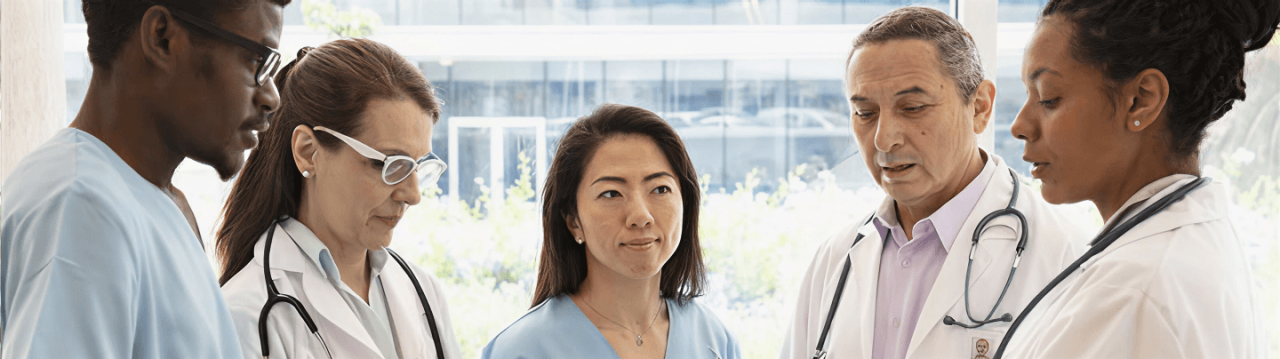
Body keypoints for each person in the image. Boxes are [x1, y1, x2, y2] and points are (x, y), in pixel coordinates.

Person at [780, 7, 1085, 359]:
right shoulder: (835, 260)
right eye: (865, 113)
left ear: (980, 107)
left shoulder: (1063, 257)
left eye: (912, 107)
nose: (883, 139)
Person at [0, 0, 288, 357]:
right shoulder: (81, 206)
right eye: (257, 60)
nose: (272, 96)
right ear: (162, 38)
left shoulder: (151, 198)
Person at [997, 0, 1280, 357]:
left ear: (1141, 100)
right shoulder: (1192, 239)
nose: (1019, 126)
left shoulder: (1131, 291)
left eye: (1049, 98)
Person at [216, 38, 462, 359]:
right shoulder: (246, 315)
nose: (412, 195)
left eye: (416, 167)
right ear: (308, 152)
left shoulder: (423, 292)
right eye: (387, 165)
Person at [482, 104, 741, 359]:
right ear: (574, 221)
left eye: (660, 189)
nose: (641, 216)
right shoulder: (521, 350)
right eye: (611, 193)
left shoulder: (714, 340)